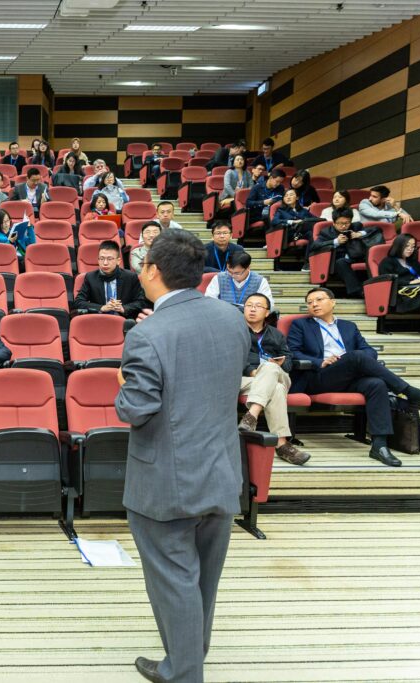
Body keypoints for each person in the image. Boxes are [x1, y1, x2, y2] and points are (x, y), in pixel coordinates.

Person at [115, 229, 250, 683]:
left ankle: (184, 672)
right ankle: (190, 656)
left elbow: (137, 408)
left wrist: (121, 386)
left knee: (173, 581)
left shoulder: (148, 333)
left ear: (153, 271)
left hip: (165, 482)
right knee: (202, 582)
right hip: (222, 470)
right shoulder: (232, 318)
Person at [287, 287, 420, 467]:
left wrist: (352, 362)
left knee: (376, 383)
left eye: (319, 299)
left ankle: (379, 445)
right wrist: (320, 361)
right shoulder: (301, 325)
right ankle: (409, 391)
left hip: (349, 376)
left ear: (333, 302)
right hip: (319, 376)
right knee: (356, 356)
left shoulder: (348, 326)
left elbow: (369, 351)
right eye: (310, 302)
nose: (314, 304)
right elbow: (292, 352)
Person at [237, 292, 311, 465]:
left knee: (271, 368)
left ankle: (251, 416)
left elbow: (288, 361)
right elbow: (231, 356)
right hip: (246, 379)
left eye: (258, 306)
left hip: (278, 375)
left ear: (267, 312)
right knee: (275, 389)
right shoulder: (235, 331)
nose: (252, 309)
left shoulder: (276, 334)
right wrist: (252, 371)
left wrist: (278, 365)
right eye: (249, 305)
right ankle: (282, 444)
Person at [310, 208, 381, 297]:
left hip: (358, 256)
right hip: (336, 262)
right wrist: (335, 241)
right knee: (341, 262)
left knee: (374, 259)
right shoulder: (326, 232)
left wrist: (360, 233)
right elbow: (314, 246)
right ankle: (358, 292)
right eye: (340, 223)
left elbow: (377, 229)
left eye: (347, 223)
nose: (344, 226)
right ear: (334, 223)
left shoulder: (356, 226)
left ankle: (377, 289)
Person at [73, 240, 147, 319]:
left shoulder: (130, 277)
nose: (105, 263)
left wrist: (124, 308)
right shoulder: (91, 277)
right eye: (101, 259)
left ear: (118, 261)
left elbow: (141, 301)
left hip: (125, 321)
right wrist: (101, 307)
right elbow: (78, 302)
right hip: (99, 319)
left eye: (109, 259)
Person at [379, 234, 420, 324]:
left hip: (419, 291)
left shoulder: (414, 262)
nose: (410, 249)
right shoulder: (387, 262)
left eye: (413, 246)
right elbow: (387, 281)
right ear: (399, 245)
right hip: (402, 296)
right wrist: (410, 282)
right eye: (407, 246)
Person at [204, 250, 274, 310]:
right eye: (229, 271)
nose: (232, 276)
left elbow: (269, 306)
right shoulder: (219, 278)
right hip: (224, 317)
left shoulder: (260, 281)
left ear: (248, 268)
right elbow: (209, 301)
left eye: (237, 273)